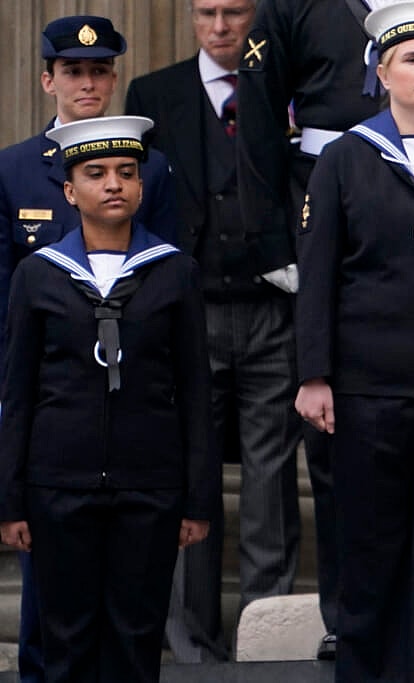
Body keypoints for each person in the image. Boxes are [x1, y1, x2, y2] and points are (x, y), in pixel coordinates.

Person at [236, 0, 414, 656]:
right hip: (369, 391)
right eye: (411, 60)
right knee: (369, 553)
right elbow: (319, 276)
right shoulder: (344, 159)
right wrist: (314, 373)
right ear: (383, 72)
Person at [0, 115, 218, 683]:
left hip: (148, 485)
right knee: (65, 638)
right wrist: (11, 499)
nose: (114, 183)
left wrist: (197, 498)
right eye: (95, 174)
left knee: (136, 636)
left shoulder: (176, 272)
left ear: (143, 187)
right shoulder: (38, 276)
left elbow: (196, 391)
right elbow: (18, 393)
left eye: (127, 172)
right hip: (58, 484)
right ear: (70, 191)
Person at [123, 0, 302, 663]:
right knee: (192, 470)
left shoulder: (284, 87)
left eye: (233, 13)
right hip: (188, 310)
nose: (221, 27)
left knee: (270, 479)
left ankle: (268, 631)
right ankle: (191, 641)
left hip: (271, 307)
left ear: (254, 16)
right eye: (207, 13)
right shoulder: (155, 93)